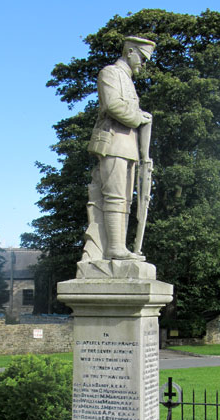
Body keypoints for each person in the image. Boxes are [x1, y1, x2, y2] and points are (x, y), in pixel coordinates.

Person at [85, 36, 155, 261]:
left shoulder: (128, 79)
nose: (143, 64)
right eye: (142, 58)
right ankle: (114, 248)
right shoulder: (111, 73)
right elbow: (113, 105)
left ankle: (119, 247)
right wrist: (138, 117)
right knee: (114, 197)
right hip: (113, 143)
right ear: (130, 51)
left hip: (128, 146)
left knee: (126, 200)